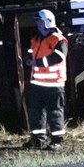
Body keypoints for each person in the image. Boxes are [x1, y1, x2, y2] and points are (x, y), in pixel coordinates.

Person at [23, 9, 68, 151]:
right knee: (36, 112)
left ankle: (57, 141)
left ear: (48, 22)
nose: (38, 24)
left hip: (54, 84)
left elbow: (59, 57)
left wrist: (37, 63)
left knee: (55, 112)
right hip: (37, 83)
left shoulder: (58, 39)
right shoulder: (35, 39)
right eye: (37, 21)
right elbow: (30, 54)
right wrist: (28, 60)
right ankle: (37, 140)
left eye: (40, 21)